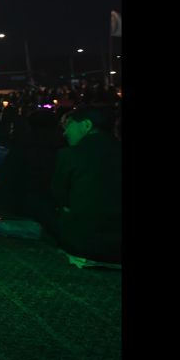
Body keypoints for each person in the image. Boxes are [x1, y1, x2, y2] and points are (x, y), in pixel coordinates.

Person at [52, 107, 121, 266]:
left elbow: (60, 196)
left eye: (69, 125)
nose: (65, 132)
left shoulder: (70, 155)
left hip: (85, 245)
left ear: (86, 125)